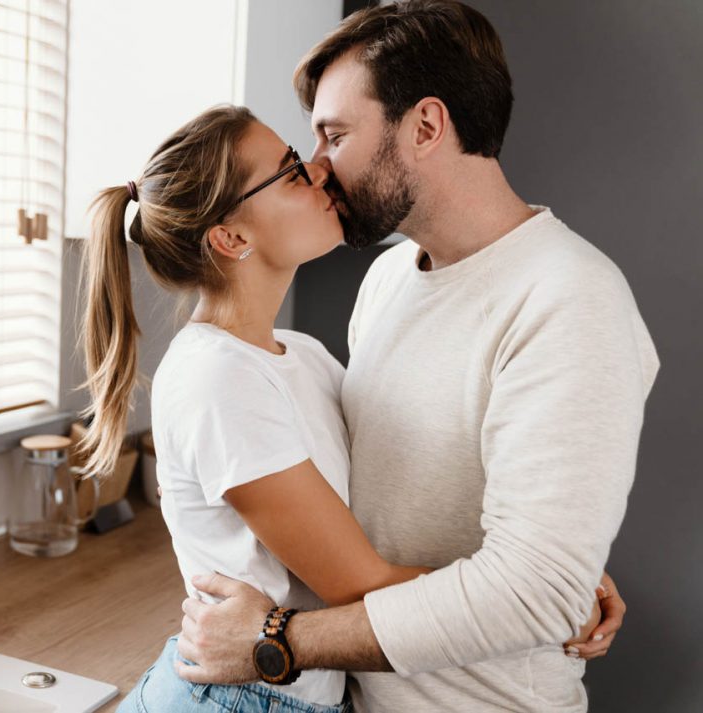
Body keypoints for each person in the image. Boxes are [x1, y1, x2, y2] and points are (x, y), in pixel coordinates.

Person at [174, 2, 657, 712]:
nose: (319, 166)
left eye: (335, 135)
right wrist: (553, 570)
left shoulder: (570, 298)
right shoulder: (391, 279)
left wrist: (279, 636)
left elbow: (534, 593)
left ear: (426, 126)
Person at [78, 104, 619, 711]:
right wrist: (543, 599)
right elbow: (360, 583)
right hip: (241, 699)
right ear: (231, 238)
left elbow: (387, 500)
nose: (320, 170)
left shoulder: (302, 357)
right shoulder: (216, 378)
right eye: (288, 171)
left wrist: (553, 564)